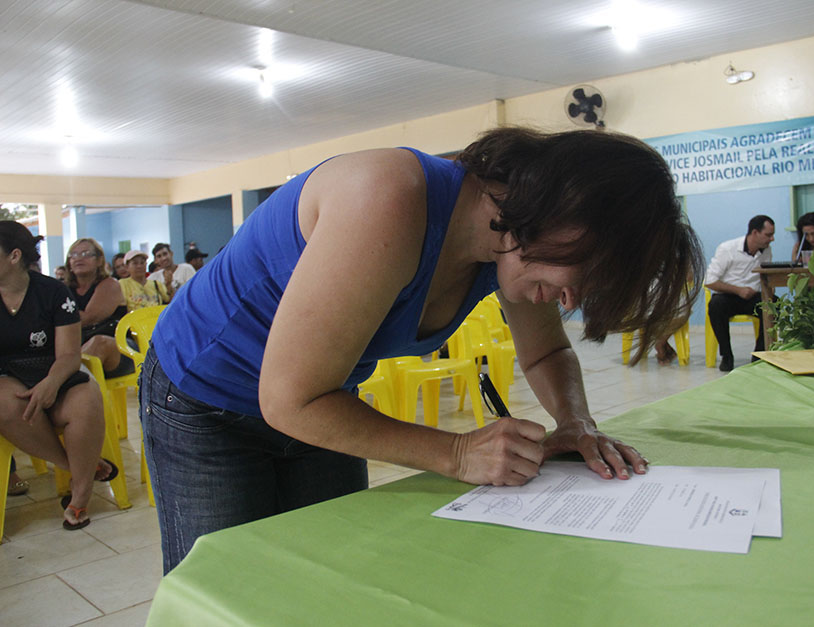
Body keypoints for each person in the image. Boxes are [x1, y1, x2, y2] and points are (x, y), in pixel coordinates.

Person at [142, 127, 703, 572]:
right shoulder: (386, 196)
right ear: (559, 213)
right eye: (583, 274)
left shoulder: (513, 243)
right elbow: (290, 400)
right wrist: (457, 454)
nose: (572, 299)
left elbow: (546, 354)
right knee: (228, 579)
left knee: (327, 570)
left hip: (323, 400)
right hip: (204, 395)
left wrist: (576, 422)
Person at [0, 221, 113, 530]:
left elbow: (68, 355)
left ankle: (80, 497)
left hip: (54, 368)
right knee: (4, 403)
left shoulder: (52, 291)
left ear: (13, 256)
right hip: (7, 374)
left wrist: (51, 382)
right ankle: (82, 469)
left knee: (86, 400)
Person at [704, 215, 775, 372]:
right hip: (729, 295)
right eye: (768, 235)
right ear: (755, 233)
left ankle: (759, 354)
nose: (772, 239)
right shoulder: (727, 249)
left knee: (773, 304)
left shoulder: (766, 251)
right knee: (715, 306)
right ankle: (726, 356)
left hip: (753, 297)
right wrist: (738, 290)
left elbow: (766, 275)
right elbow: (710, 281)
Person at [64, 238, 133, 378]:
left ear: (99, 260)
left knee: (99, 342)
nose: (79, 259)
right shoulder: (63, 289)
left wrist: (58, 317)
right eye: (74, 255)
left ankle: (67, 382)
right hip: (79, 345)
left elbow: (88, 318)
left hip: (120, 347)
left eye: (85, 254)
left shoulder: (110, 285)